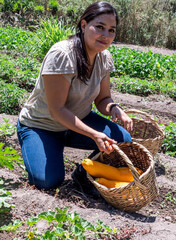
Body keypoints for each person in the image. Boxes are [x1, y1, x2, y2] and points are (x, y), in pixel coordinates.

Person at [16, 1, 133, 191]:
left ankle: (82, 173)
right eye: (100, 27)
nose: (106, 35)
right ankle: (41, 144)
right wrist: (94, 134)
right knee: (48, 182)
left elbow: (103, 99)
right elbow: (57, 110)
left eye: (112, 30)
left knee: (122, 139)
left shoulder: (104, 58)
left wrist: (114, 108)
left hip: (78, 120)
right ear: (84, 25)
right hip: (43, 125)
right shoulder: (62, 54)